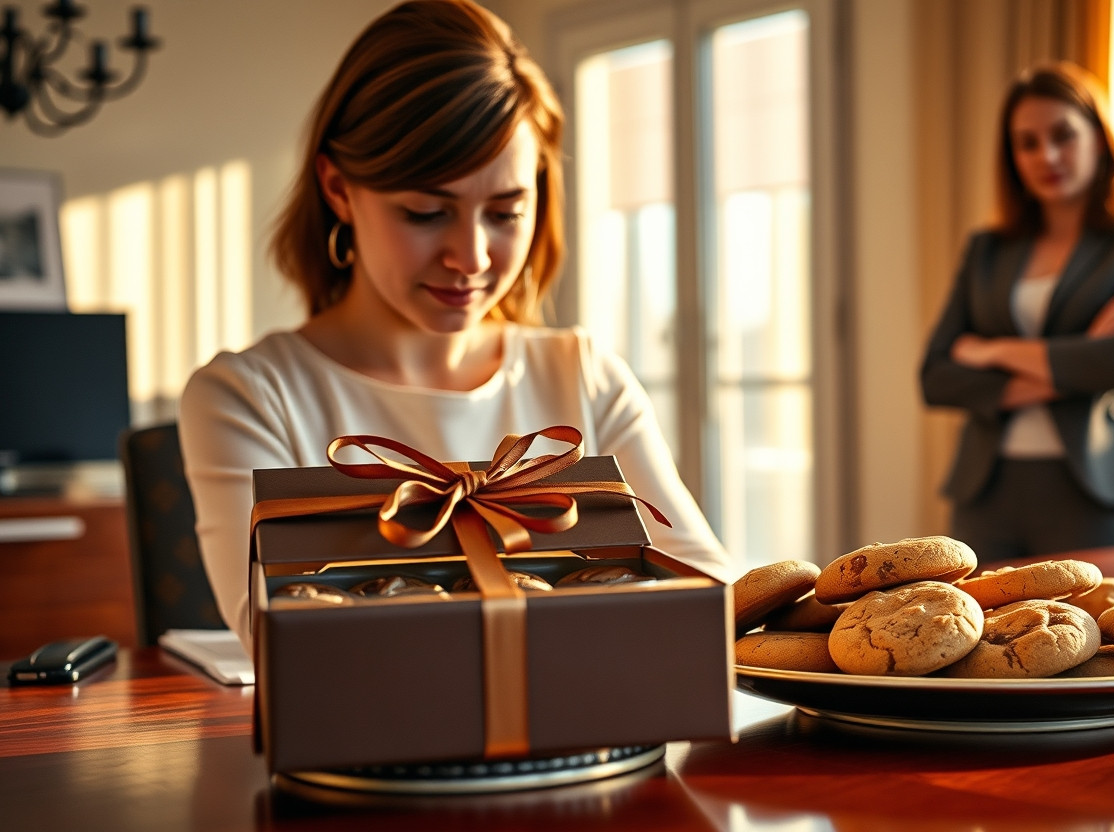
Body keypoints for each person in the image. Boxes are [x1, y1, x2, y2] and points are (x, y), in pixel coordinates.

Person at [179, 0, 731, 648]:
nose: (470, 257)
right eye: (424, 212)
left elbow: (711, 602)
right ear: (337, 189)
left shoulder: (586, 377)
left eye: (504, 213)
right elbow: (289, 648)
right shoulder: (247, 399)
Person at [920, 61, 1114, 562]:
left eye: (1064, 135)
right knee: (982, 637)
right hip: (987, 495)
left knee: (1103, 639)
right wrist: (1079, 358)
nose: (1048, 155)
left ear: (1099, 139)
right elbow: (935, 377)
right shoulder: (986, 249)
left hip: (1094, 490)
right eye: (1028, 143)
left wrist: (991, 350)